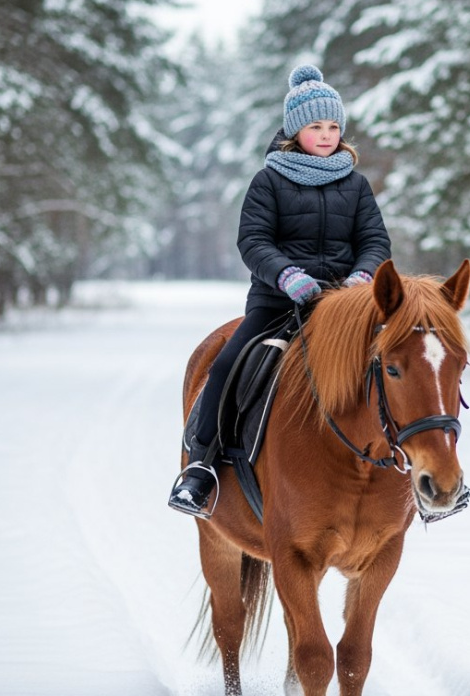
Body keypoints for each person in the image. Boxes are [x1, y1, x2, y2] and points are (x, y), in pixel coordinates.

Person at [168, 65, 392, 518]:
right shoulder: (268, 181)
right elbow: (253, 241)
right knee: (228, 364)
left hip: (346, 307)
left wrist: (362, 277)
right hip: (277, 303)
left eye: (333, 126)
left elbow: (375, 241)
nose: (327, 135)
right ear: (295, 130)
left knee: (401, 364)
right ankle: (202, 469)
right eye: (316, 127)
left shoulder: (356, 184)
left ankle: (415, 468)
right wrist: (287, 276)